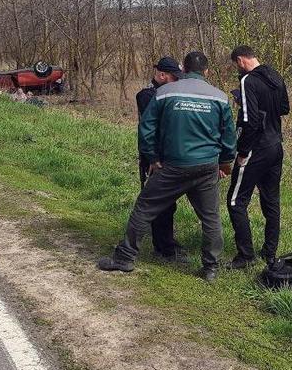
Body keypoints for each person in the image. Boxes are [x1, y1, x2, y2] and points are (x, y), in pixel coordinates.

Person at [97, 52, 236, 281]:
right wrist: (225, 161)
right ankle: (211, 268)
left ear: (185, 69)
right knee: (211, 218)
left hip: (173, 166)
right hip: (206, 166)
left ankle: (124, 258)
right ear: (207, 71)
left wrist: (152, 157)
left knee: (144, 208)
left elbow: (146, 129)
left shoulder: (164, 93)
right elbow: (228, 135)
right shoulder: (220, 97)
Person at [226, 45, 290, 269]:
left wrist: (242, 153)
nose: (238, 69)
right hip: (276, 147)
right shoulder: (275, 75)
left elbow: (250, 120)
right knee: (271, 202)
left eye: (237, 65)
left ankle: (245, 256)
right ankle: (270, 253)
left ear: (241, 60)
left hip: (256, 149)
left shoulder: (247, 81)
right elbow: (284, 108)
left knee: (235, 201)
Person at [135, 56, 185, 262]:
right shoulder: (147, 95)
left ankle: (166, 241)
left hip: (169, 156)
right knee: (157, 203)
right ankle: (162, 247)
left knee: (169, 203)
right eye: (174, 78)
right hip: (153, 158)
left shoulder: (167, 93)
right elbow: (151, 130)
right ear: (161, 75)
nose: (177, 82)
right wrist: (153, 158)